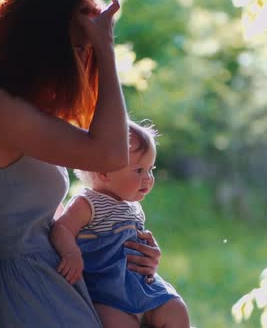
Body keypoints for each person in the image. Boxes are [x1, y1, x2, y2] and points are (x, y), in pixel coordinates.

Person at [0, 0, 161, 327]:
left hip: (47, 278)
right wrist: (105, 48)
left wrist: (123, 249)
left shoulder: (8, 108)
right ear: (40, 41)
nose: (82, 61)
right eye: (77, 48)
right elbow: (112, 154)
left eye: (87, 49)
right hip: (28, 289)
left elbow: (46, 221)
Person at [50, 120, 190, 327]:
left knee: (176, 310)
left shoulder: (132, 206)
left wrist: (149, 250)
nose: (149, 178)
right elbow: (61, 228)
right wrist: (71, 253)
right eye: (139, 170)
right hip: (107, 293)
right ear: (104, 172)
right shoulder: (88, 202)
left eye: (150, 169)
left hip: (145, 288)